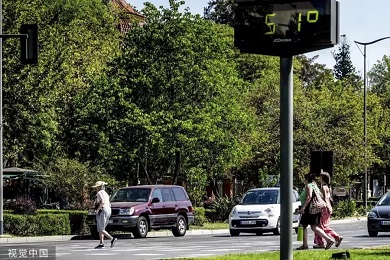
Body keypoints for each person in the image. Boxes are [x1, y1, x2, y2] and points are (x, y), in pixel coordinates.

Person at [297, 172, 335, 250]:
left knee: (303, 226)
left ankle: (305, 245)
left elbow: (309, 197)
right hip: (316, 209)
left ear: (307, 179)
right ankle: (328, 240)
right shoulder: (315, 185)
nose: (304, 180)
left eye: (305, 179)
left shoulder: (309, 186)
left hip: (309, 209)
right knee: (314, 227)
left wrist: (303, 208)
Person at [313, 171, 343, 248]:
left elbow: (326, 198)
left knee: (321, 226)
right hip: (328, 207)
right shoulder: (328, 187)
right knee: (320, 226)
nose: (319, 179)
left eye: (320, 177)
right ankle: (320, 243)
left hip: (324, 208)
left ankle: (336, 237)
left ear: (323, 178)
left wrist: (326, 206)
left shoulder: (323, 187)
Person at [93, 181, 117, 249]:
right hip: (108, 209)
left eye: (96, 187)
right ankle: (101, 243)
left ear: (99, 187)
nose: (95, 189)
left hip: (103, 209)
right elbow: (108, 203)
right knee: (102, 228)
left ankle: (112, 238)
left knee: (100, 229)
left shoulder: (99, 193)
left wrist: (97, 210)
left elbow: (102, 202)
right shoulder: (105, 193)